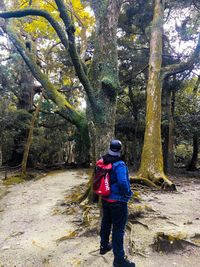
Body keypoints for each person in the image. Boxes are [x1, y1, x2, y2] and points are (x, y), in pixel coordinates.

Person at [99, 139, 135, 267]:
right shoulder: (119, 164)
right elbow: (123, 182)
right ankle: (119, 260)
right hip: (118, 201)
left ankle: (103, 246)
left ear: (109, 148)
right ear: (120, 150)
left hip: (105, 198)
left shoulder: (103, 161)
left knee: (106, 222)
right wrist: (128, 193)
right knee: (118, 229)